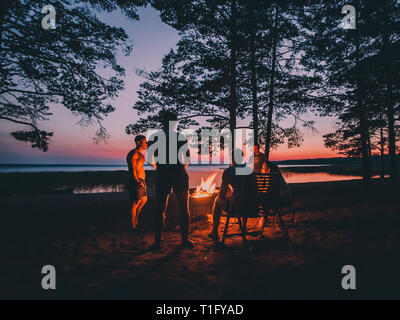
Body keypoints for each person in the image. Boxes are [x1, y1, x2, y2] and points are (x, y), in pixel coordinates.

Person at [148, 110, 192, 250]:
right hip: (179, 173)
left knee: (160, 209)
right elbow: (187, 159)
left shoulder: (155, 137)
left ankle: (157, 242)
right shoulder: (180, 137)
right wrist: (180, 168)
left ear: (163, 122)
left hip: (162, 173)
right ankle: (184, 240)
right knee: (184, 209)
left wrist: (160, 167)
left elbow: (150, 159)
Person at [208, 149, 258, 240]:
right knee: (245, 197)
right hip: (254, 207)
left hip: (238, 208)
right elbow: (252, 190)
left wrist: (226, 194)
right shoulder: (250, 170)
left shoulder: (229, 171)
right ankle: (244, 227)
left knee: (217, 200)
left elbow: (222, 194)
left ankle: (215, 231)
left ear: (232, 159)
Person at [126, 135, 148, 231]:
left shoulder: (142, 155)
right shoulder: (133, 154)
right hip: (136, 181)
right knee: (135, 203)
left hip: (142, 180)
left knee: (144, 200)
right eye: (145, 142)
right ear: (139, 142)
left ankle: (136, 220)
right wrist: (137, 181)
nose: (146, 144)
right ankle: (132, 225)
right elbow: (132, 169)